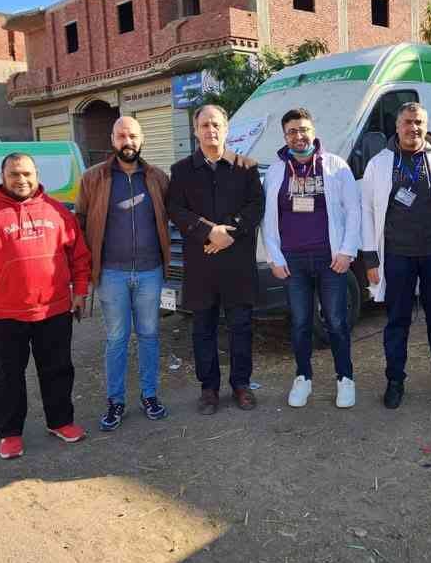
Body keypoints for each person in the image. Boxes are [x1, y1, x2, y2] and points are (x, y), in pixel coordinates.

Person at [0, 153, 91, 459]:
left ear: (36, 174)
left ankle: (61, 421)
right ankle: (10, 433)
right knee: (6, 376)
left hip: (54, 310)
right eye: (14, 174)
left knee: (58, 369)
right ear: (2, 177)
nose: (21, 180)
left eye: (27, 173)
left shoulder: (57, 212)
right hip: (3, 314)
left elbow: (79, 257)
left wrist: (80, 291)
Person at [361, 102, 431, 410]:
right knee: (397, 321)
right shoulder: (379, 164)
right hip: (396, 255)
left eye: (419, 122)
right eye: (407, 122)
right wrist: (370, 258)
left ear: (426, 125)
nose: (413, 128)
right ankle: (395, 381)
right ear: (397, 127)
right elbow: (367, 210)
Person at [166, 104, 265, 415]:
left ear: (226, 129)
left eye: (216, 124)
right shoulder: (181, 171)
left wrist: (228, 232)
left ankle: (241, 385)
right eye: (205, 125)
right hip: (202, 265)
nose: (211, 130)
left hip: (237, 263)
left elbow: (256, 207)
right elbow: (176, 210)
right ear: (196, 131)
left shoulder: (246, 167)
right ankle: (208, 389)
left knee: (241, 327)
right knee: (203, 330)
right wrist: (208, 232)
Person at [75, 116, 171, 431]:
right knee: (116, 338)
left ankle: (149, 395)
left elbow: (175, 215)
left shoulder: (157, 177)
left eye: (132, 136)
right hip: (111, 274)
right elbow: (80, 223)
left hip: (150, 271)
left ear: (141, 139)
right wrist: (83, 272)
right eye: (121, 136)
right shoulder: (93, 178)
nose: (127, 141)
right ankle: (115, 401)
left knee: (149, 335)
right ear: (112, 140)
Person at [263, 107, 360, 409]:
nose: (299, 136)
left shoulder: (335, 166)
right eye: (292, 131)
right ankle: (303, 378)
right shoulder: (276, 171)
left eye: (303, 129)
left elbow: (353, 210)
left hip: (330, 258)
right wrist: (274, 257)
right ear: (285, 136)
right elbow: (269, 218)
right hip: (293, 261)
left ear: (313, 131)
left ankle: (345, 379)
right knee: (300, 322)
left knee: (336, 321)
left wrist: (347, 251)